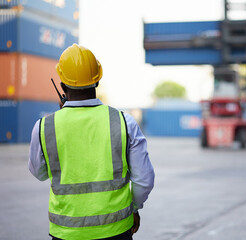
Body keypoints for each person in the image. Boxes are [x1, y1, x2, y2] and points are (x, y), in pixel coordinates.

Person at [28, 44, 155, 240]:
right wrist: (134, 208)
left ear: (62, 87)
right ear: (97, 82)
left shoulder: (44, 126)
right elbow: (144, 179)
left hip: (66, 232)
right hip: (116, 231)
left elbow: (39, 173)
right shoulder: (123, 122)